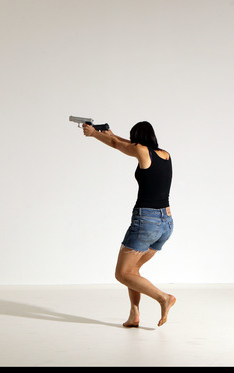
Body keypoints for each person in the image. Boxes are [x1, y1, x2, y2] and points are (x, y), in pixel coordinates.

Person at [82, 121, 176, 327]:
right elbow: (120, 141)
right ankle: (134, 314)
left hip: (147, 222)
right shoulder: (165, 154)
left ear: (137, 138)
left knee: (122, 274)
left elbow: (117, 145)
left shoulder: (141, 151)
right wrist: (111, 134)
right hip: (166, 223)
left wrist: (93, 134)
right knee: (132, 272)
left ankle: (163, 298)